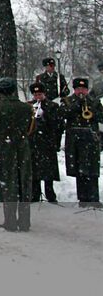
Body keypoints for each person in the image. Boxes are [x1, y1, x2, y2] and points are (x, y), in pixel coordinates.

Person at [0, 77, 34, 232]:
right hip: (22, 147)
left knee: (8, 184)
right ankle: (24, 222)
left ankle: (10, 221)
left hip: (5, 148)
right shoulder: (26, 108)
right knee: (23, 182)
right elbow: (30, 127)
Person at [62, 77, 103, 207]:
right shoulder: (68, 101)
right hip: (75, 141)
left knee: (92, 170)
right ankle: (83, 199)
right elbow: (63, 114)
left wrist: (91, 108)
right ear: (74, 89)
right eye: (78, 89)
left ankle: (94, 198)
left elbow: (101, 117)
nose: (81, 91)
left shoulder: (94, 101)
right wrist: (76, 106)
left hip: (91, 139)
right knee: (80, 170)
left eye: (84, 89)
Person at [27, 82, 62, 203]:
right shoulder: (29, 105)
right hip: (33, 142)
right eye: (35, 94)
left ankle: (50, 194)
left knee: (48, 171)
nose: (38, 97)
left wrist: (44, 114)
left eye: (40, 94)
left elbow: (57, 124)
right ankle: (35, 194)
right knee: (34, 170)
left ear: (44, 94)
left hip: (47, 142)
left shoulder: (52, 106)